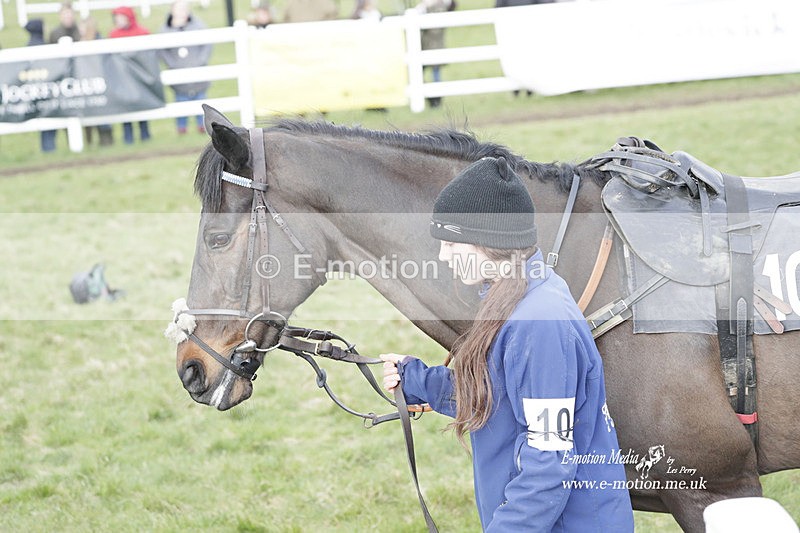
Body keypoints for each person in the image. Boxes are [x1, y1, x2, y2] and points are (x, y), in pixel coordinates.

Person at [381, 157, 634, 531]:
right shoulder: (516, 294)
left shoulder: (539, 322)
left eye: (452, 242)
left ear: (488, 242)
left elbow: (549, 462)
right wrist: (417, 380)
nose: (442, 255)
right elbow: (501, 397)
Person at [158, 0, 212, 135]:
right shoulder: (165, 30)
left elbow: (207, 45)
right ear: (172, 10)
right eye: (179, 9)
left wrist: (201, 60)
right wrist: (171, 64)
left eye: (184, 9)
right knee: (180, 100)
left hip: (197, 72)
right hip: (178, 73)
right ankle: (181, 127)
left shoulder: (198, 26)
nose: (182, 12)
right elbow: (161, 50)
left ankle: (202, 125)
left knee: (200, 100)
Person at [109, 6, 151, 144]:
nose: (119, 21)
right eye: (117, 18)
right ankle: (128, 138)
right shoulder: (113, 35)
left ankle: (145, 135)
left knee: (142, 104)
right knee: (126, 107)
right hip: (122, 77)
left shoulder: (142, 32)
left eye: (121, 17)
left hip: (139, 76)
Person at [78, 16, 114, 147]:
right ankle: (90, 141)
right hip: (86, 82)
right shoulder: (80, 43)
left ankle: (106, 140)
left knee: (103, 112)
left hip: (99, 81)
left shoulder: (99, 42)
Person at [412, 0, 455, 108]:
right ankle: (432, 98)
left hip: (435, 45)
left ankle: (436, 99)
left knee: (436, 73)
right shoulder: (423, 7)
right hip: (425, 46)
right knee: (419, 73)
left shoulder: (441, 5)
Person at [23, 19, 58, 153]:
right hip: (46, 87)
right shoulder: (42, 45)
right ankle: (49, 149)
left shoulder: (28, 45)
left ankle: (47, 149)